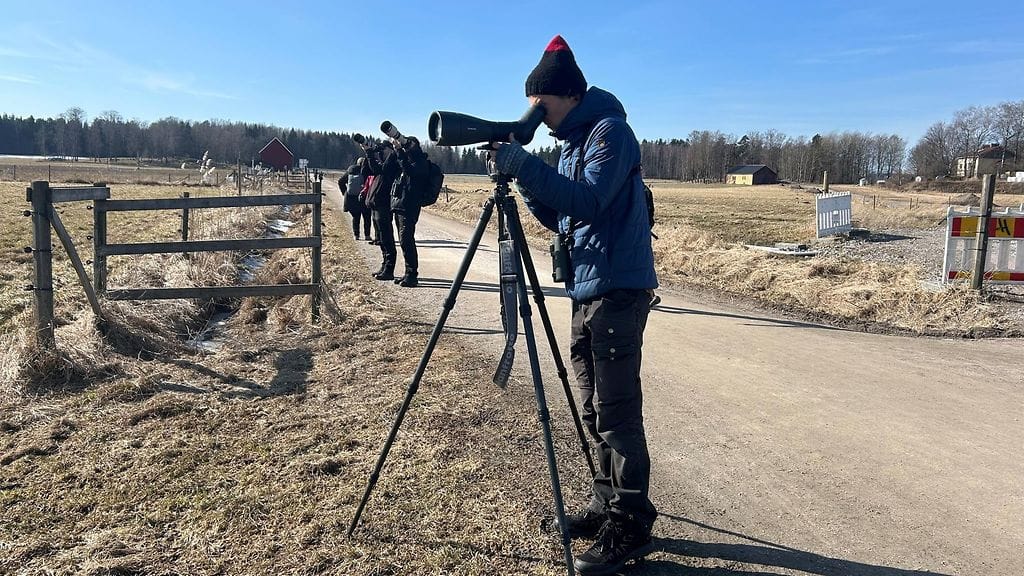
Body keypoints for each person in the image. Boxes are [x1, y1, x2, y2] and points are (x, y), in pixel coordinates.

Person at [490, 35, 658, 575]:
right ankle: (608, 501)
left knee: (616, 411)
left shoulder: (610, 132)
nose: (536, 115)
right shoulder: (572, 141)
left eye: (541, 104)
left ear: (565, 94)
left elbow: (588, 200)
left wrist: (527, 165)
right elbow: (566, 217)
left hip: (617, 286)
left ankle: (630, 521)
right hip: (588, 287)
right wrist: (525, 180)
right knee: (590, 404)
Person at [390, 136, 429, 287]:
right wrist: (396, 151)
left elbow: (410, 171)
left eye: (409, 144)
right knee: (403, 241)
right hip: (400, 205)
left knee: (407, 240)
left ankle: (412, 275)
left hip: (410, 206)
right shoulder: (408, 160)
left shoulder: (420, 162)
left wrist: (400, 151)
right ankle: (408, 273)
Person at [361, 140, 400, 280]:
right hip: (377, 205)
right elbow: (366, 171)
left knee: (387, 238)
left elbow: (380, 169)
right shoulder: (384, 165)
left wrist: (371, 152)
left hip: (384, 204)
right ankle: (384, 266)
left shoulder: (393, 161)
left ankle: (389, 269)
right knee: (382, 239)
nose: (381, 152)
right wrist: (369, 154)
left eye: (383, 149)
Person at [344, 159, 372, 240]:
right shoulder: (367, 171)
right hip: (364, 197)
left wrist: (345, 192)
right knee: (367, 217)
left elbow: (340, 181)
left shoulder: (350, 171)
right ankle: (367, 235)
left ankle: (356, 235)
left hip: (352, 198)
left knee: (356, 218)